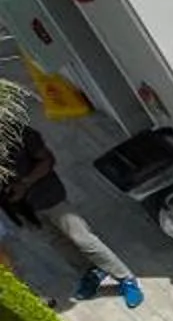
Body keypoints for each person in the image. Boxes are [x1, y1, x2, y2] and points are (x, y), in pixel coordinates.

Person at [0, 115, 141, 307]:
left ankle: (126, 279)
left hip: (48, 196)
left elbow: (47, 160)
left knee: (81, 237)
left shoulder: (19, 132)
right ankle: (91, 273)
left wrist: (25, 183)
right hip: (22, 210)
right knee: (58, 243)